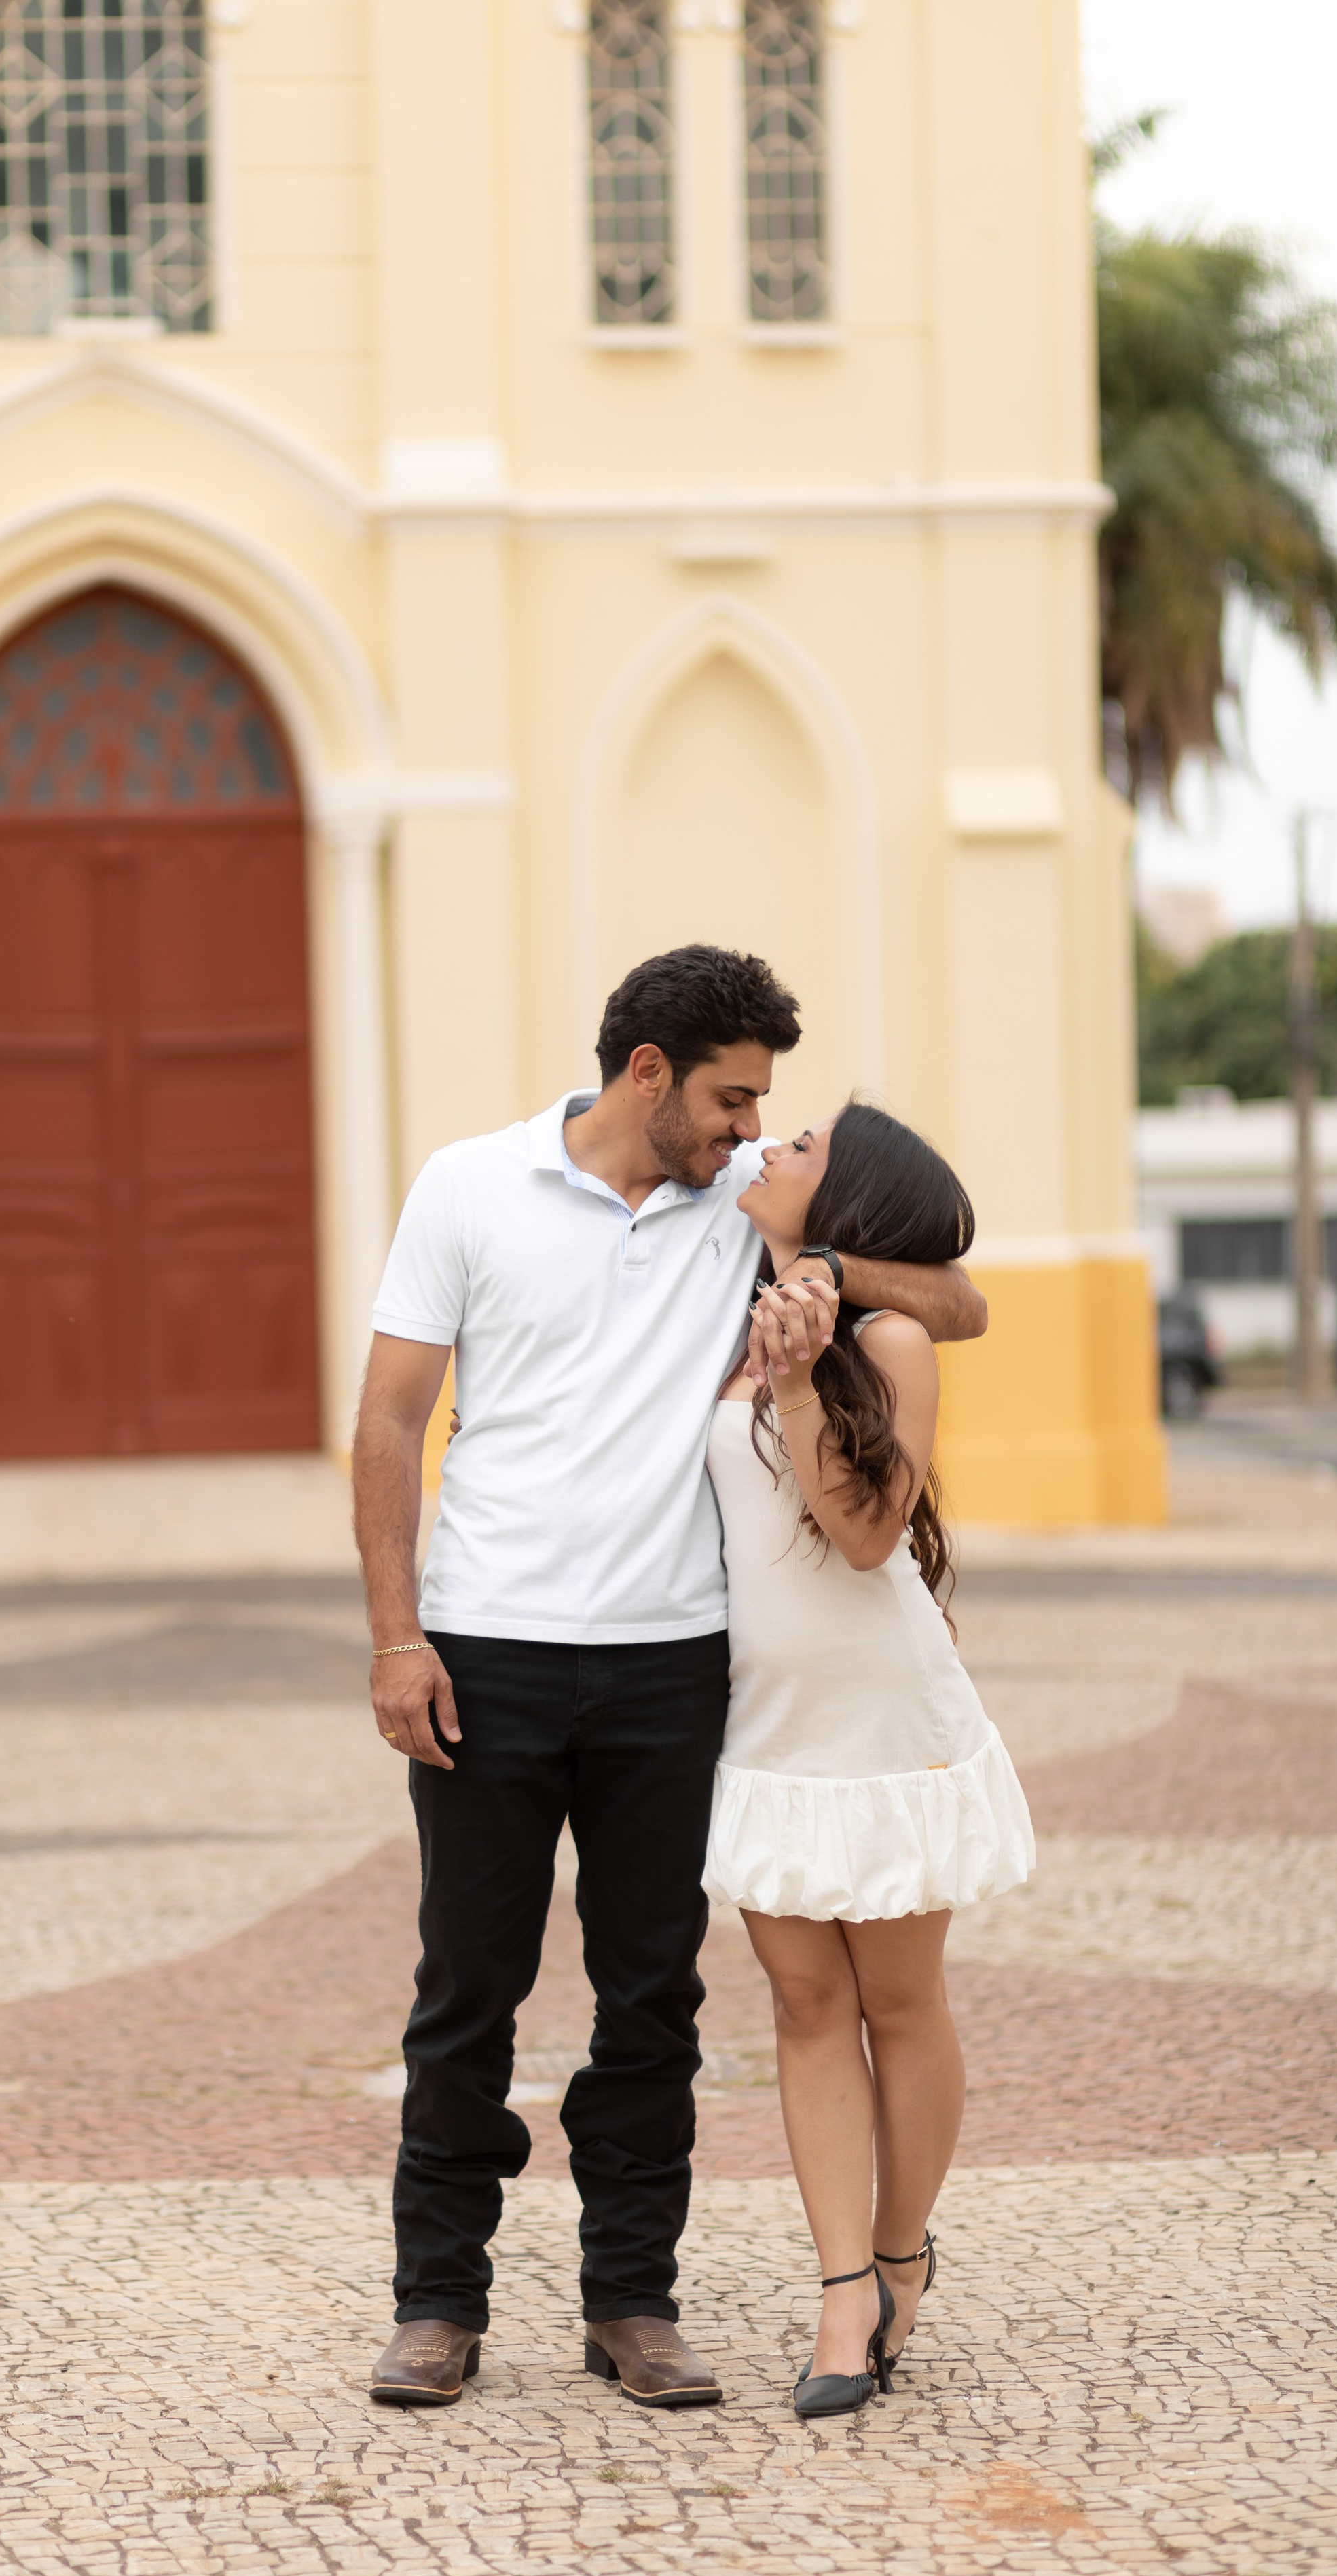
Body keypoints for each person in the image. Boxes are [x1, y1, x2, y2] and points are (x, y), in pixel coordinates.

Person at [352, 945, 989, 2410]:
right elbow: (389, 1422)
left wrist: (816, 1266)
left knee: (652, 2001)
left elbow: (953, 1306)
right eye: (725, 1098)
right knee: (467, 1992)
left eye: (756, 1106)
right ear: (645, 1073)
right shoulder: (467, 1186)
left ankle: (630, 2302)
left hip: (669, 1662)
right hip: (488, 1651)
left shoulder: (742, 1196)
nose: (743, 1126)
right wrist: (398, 1635)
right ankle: (436, 2302)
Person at [703, 1100, 1035, 2420]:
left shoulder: (886, 1338)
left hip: (883, 1713)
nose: (771, 1145)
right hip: (761, 1721)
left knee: (895, 2003)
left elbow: (858, 1534)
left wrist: (796, 1370)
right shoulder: (716, 1310)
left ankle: (897, 2259)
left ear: (847, 1209)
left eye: (803, 1149)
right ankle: (839, 2284)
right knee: (797, 2006)